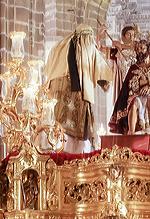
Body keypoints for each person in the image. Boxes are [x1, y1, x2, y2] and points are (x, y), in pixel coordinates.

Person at [44, 24, 114, 152]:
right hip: (78, 100)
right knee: (77, 142)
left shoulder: (59, 46)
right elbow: (103, 74)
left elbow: (48, 69)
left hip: (56, 100)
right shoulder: (86, 45)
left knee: (57, 136)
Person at [108, 39, 150, 135]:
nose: (139, 51)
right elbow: (130, 85)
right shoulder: (133, 67)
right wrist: (145, 85)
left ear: (148, 50)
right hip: (138, 95)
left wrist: (149, 87)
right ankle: (131, 133)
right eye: (138, 49)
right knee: (133, 103)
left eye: (142, 48)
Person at [97, 23, 137, 105]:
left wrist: (121, 45)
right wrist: (99, 34)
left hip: (135, 80)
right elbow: (100, 48)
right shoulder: (117, 51)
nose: (131, 37)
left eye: (133, 35)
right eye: (128, 34)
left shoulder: (137, 49)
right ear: (123, 36)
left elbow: (137, 47)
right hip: (122, 81)